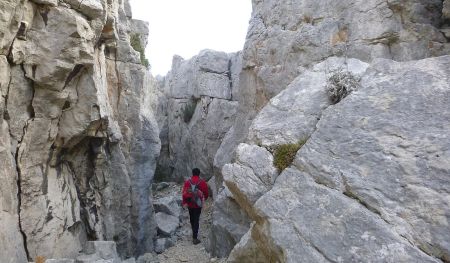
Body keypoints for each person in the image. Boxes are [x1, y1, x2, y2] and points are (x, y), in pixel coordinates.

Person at [182, 168, 209, 244]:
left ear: (192, 173)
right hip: (198, 204)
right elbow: (206, 193)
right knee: (196, 219)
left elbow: (184, 193)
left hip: (190, 203)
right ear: (199, 173)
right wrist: (203, 199)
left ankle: (194, 231)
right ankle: (195, 237)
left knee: (192, 218)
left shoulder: (187, 182)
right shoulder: (202, 182)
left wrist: (184, 202)